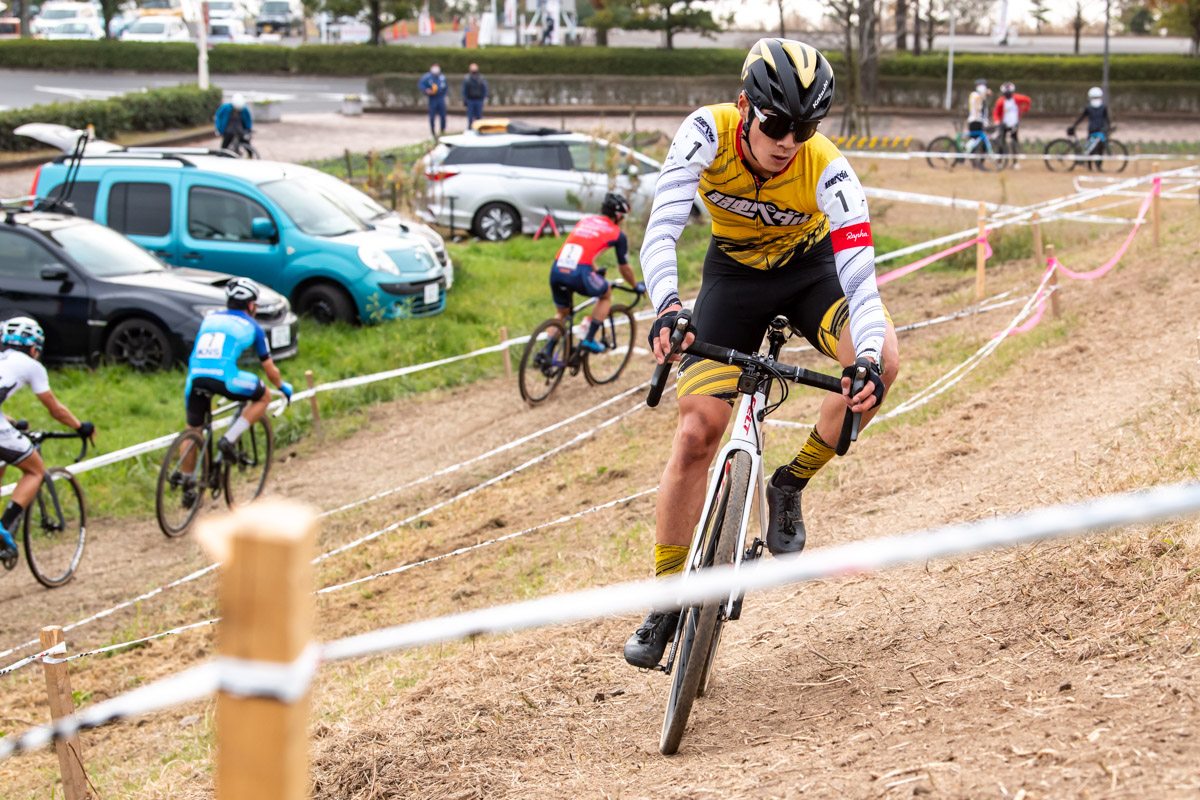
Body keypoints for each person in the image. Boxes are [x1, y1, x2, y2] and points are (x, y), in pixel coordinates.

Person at [624, 38, 899, 669]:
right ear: (745, 107)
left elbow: (860, 275)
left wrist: (861, 362)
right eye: (777, 124)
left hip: (812, 275)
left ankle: (789, 482)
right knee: (698, 431)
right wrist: (667, 305)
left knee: (882, 359)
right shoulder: (705, 132)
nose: (788, 141)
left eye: (805, 128)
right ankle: (668, 598)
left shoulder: (827, 168)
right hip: (734, 279)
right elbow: (663, 226)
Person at [182, 279, 291, 503]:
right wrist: (282, 387)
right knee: (264, 396)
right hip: (225, 379)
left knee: (193, 430)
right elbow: (269, 370)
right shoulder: (254, 327)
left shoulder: (209, 318)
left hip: (195, 378)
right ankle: (229, 440)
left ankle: (186, 483)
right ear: (251, 306)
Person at [0, 317, 95, 568]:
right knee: (35, 469)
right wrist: (80, 426)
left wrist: (12, 422)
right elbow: (55, 409)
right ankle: (4, 527)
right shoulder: (32, 366)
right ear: (34, 348)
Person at [537, 192, 643, 363]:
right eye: (623, 217)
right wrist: (635, 285)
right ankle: (589, 338)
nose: (622, 221)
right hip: (579, 273)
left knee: (562, 314)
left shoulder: (585, 222)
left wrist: (596, 271)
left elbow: (584, 251)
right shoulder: (617, 234)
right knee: (606, 292)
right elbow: (624, 268)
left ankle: (547, 354)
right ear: (617, 216)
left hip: (557, 270)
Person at [992, 82, 1031, 168]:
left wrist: (1024, 109)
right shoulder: (1001, 101)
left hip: (1014, 124)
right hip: (1004, 124)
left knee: (1014, 143)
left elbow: (1027, 99)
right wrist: (997, 121)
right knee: (1001, 143)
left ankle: (1015, 162)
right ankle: (1000, 162)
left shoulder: (1016, 98)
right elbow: (996, 113)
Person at [418, 64, 448, 138]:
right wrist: (426, 90)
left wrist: (444, 94)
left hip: (440, 98)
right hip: (433, 98)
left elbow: (446, 87)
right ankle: (433, 131)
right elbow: (420, 84)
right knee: (432, 116)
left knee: (443, 115)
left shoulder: (442, 77)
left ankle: (442, 130)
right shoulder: (427, 77)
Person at [966, 78, 991, 156]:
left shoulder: (983, 97)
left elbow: (985, 111)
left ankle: (976, 158)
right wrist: (985, 94)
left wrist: (986, 121)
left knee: (980, 140)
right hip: (974, 120)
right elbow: (976, 99)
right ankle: (965, 154)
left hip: (981, 121)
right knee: (973, 139)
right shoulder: (974, 94)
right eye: (981, 85)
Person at [462, 63, 488, 131]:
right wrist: (465, 99)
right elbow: (464, 90)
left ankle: (479, 130)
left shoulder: (481, 78)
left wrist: (484, 98)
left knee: (478, 118)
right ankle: (470, 130)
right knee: (470, 118)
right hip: (470, 100)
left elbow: (484, 88)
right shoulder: (467, 78)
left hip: (479, 100)